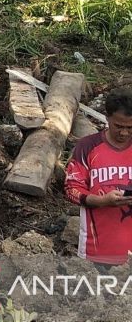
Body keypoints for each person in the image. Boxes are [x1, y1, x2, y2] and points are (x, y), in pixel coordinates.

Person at [65, 85, 132, 265]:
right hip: (96, 253)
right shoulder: (87, 147)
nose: (124, 133)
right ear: (107, 117)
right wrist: (102, 201)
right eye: (118, 126)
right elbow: (72, 189)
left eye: (130, 127)